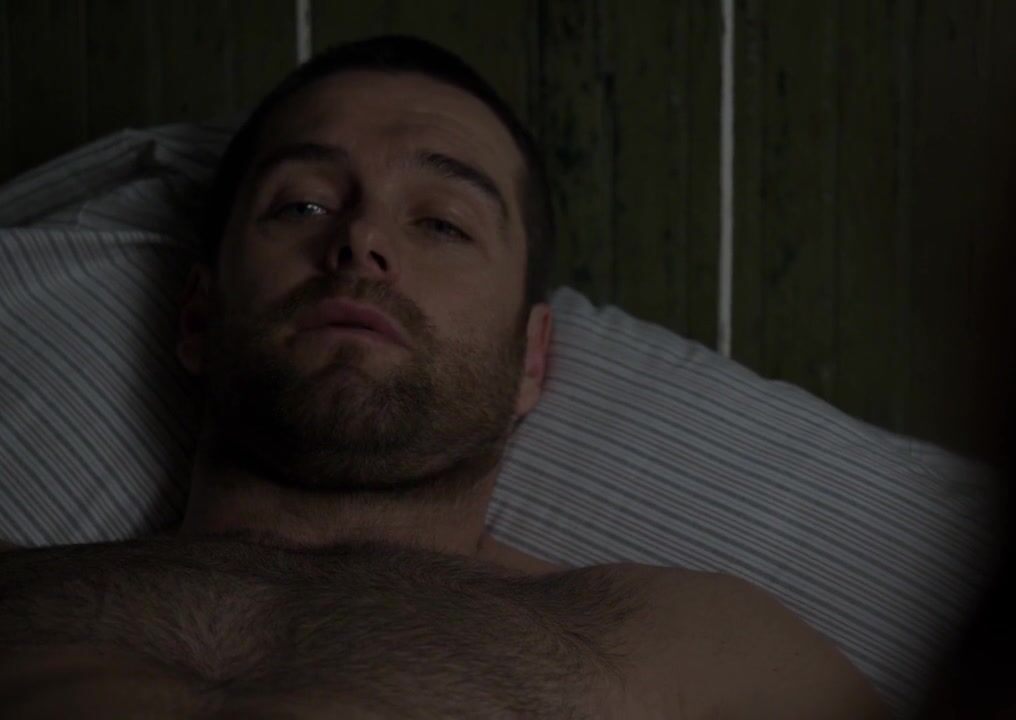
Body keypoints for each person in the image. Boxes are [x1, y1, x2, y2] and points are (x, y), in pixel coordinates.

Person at [0, 35, 887, 719]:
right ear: (197, 316)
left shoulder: (690, 649)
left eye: (442, 223)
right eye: (301, 204)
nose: (361, 240)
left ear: (531, 359)